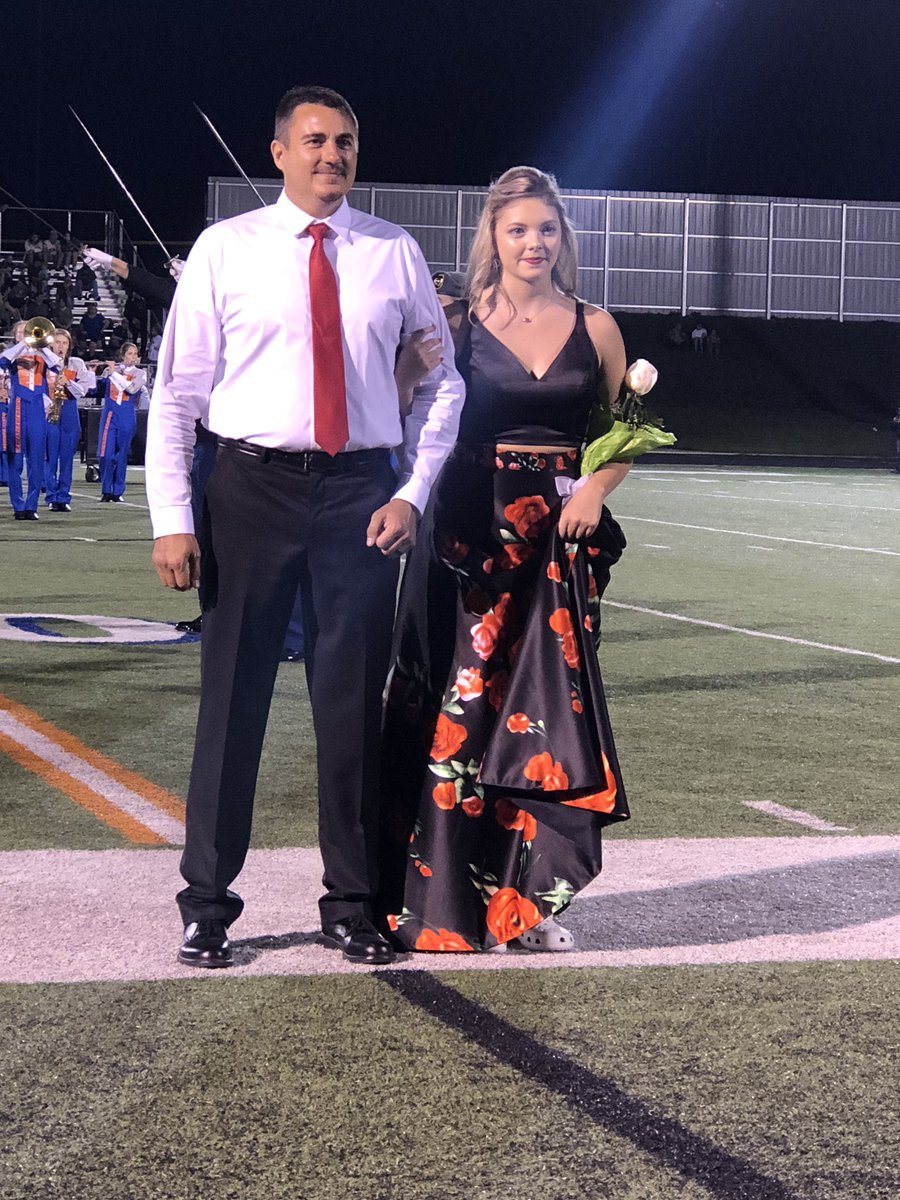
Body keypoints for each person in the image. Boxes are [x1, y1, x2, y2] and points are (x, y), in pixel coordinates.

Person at [146, 85, 465, 970]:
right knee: (233, 703)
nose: (333, 155)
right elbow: (176, 396)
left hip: (360, 495)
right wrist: (173, 518)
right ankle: (208, 903)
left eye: (347, 142)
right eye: (315, 140)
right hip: (248, 490)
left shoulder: (393, 253)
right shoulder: (227, 249)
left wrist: (411, 491)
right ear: (279, 152)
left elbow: (442, 386)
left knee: (351, 707)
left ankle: (353, 902)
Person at [377, 166, 637, 954]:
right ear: (492, 235)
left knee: (542, 717)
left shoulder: (597, 326)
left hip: (558, 546)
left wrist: (594, 485)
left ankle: (527, 903)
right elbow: (392, 413)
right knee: (459, 709)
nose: (533, 242)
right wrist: (408, 370)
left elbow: (629, 429)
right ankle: (428, 898)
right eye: (518, 228)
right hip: (466, 535)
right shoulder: (453, 320)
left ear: (564, 238)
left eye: (547, 229)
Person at [0, 320, 61, 519]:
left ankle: (31, 506)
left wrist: (40, 347)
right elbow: (2, 360)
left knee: (36, 459)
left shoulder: (43, 356)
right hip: (17, 408)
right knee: (14, 459)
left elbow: (57, 366)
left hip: (36, 409)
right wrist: (21, 344)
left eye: (27, 332)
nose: (25, 335)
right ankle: (18, 505)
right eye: (21, 332)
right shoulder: (12, 356)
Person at [45, 328, 93, 512]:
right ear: (51, 344)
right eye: (57, 342)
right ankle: (51, 495)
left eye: (64, 343)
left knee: (67, 458)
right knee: (50, 457)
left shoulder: (76, 364)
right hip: (50, 411)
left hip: (70, 412)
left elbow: (82, 391)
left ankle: (63, 497)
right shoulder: (45, 364)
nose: (61, 346)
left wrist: (67, 382)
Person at [97, 342, 145, 501]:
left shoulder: (140, 373)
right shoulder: (110, 370)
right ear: (123, 355)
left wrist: (113, 373)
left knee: (122, 454)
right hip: (110, 415)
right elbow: (97, 388)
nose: (133, 357)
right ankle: (106, 489)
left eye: (135, 353)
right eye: (130, 353)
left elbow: (131, 389)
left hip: (126, 416)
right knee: (106, 453)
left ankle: (117, 491)